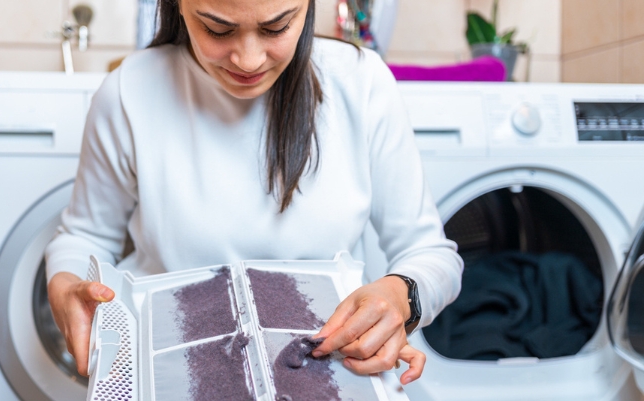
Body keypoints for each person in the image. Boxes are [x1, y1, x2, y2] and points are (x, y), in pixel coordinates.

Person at [45, 0, 463, 389]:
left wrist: (401, 293)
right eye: (217, 29)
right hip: (175, 376)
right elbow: (84, 236)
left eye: (277, 27)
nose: (248, 59)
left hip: (324, 375)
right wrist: (66, 283)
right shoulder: (129, 91)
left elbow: (431, 254)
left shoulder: (361, 83)